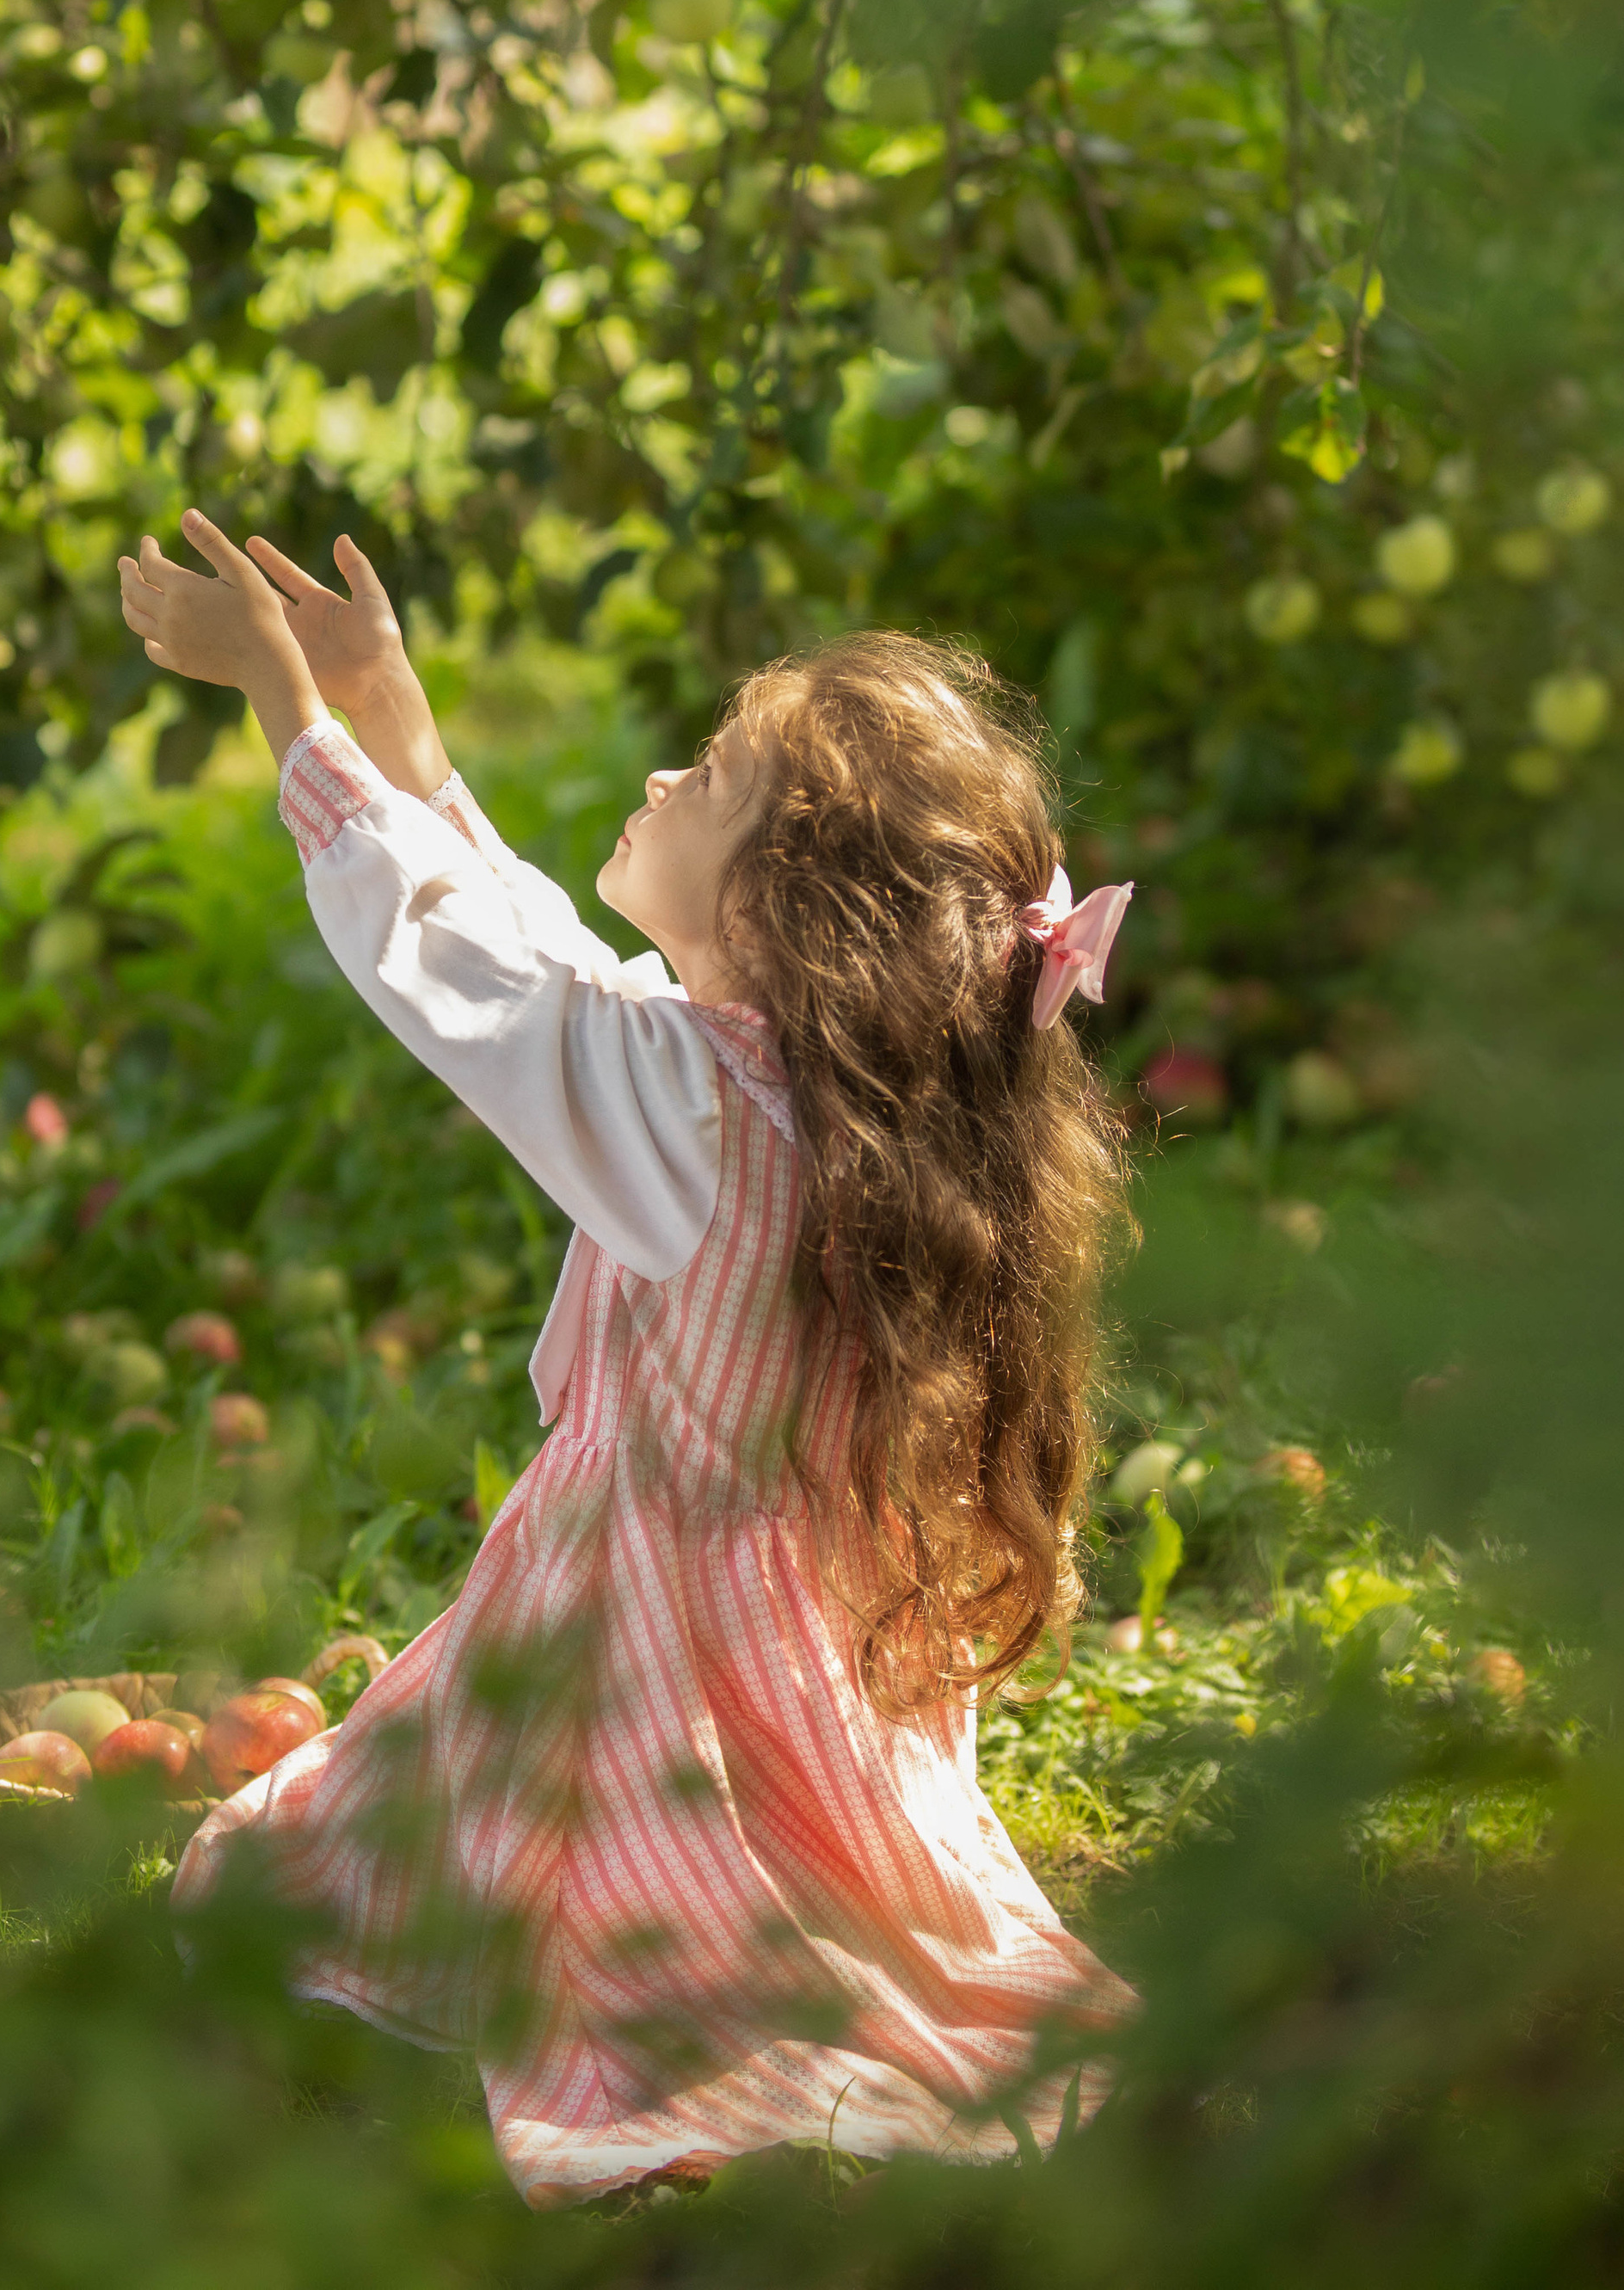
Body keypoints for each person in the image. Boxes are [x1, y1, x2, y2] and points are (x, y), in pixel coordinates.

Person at [117, 508, 1138, 2207]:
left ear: (781, 906)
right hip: (778, 1616)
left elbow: (478, 976)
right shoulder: (818, 1109)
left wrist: (291, 713)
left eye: (711, 774)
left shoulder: (685, 1105)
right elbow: (545, 971)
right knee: (773, 1848)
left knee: (429, 1874)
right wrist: (397, 720)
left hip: (631, 1618)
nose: (662, 778)